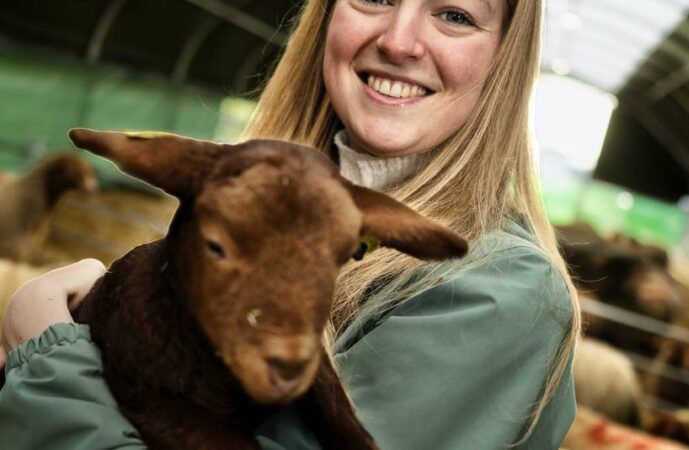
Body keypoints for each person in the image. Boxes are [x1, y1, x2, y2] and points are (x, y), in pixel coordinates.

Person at [0, 0, 580, 448]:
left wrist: (47, 350)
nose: (399, 41)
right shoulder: (252, 199)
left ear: (504, 56)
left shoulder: (498, 296)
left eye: (454, 15)